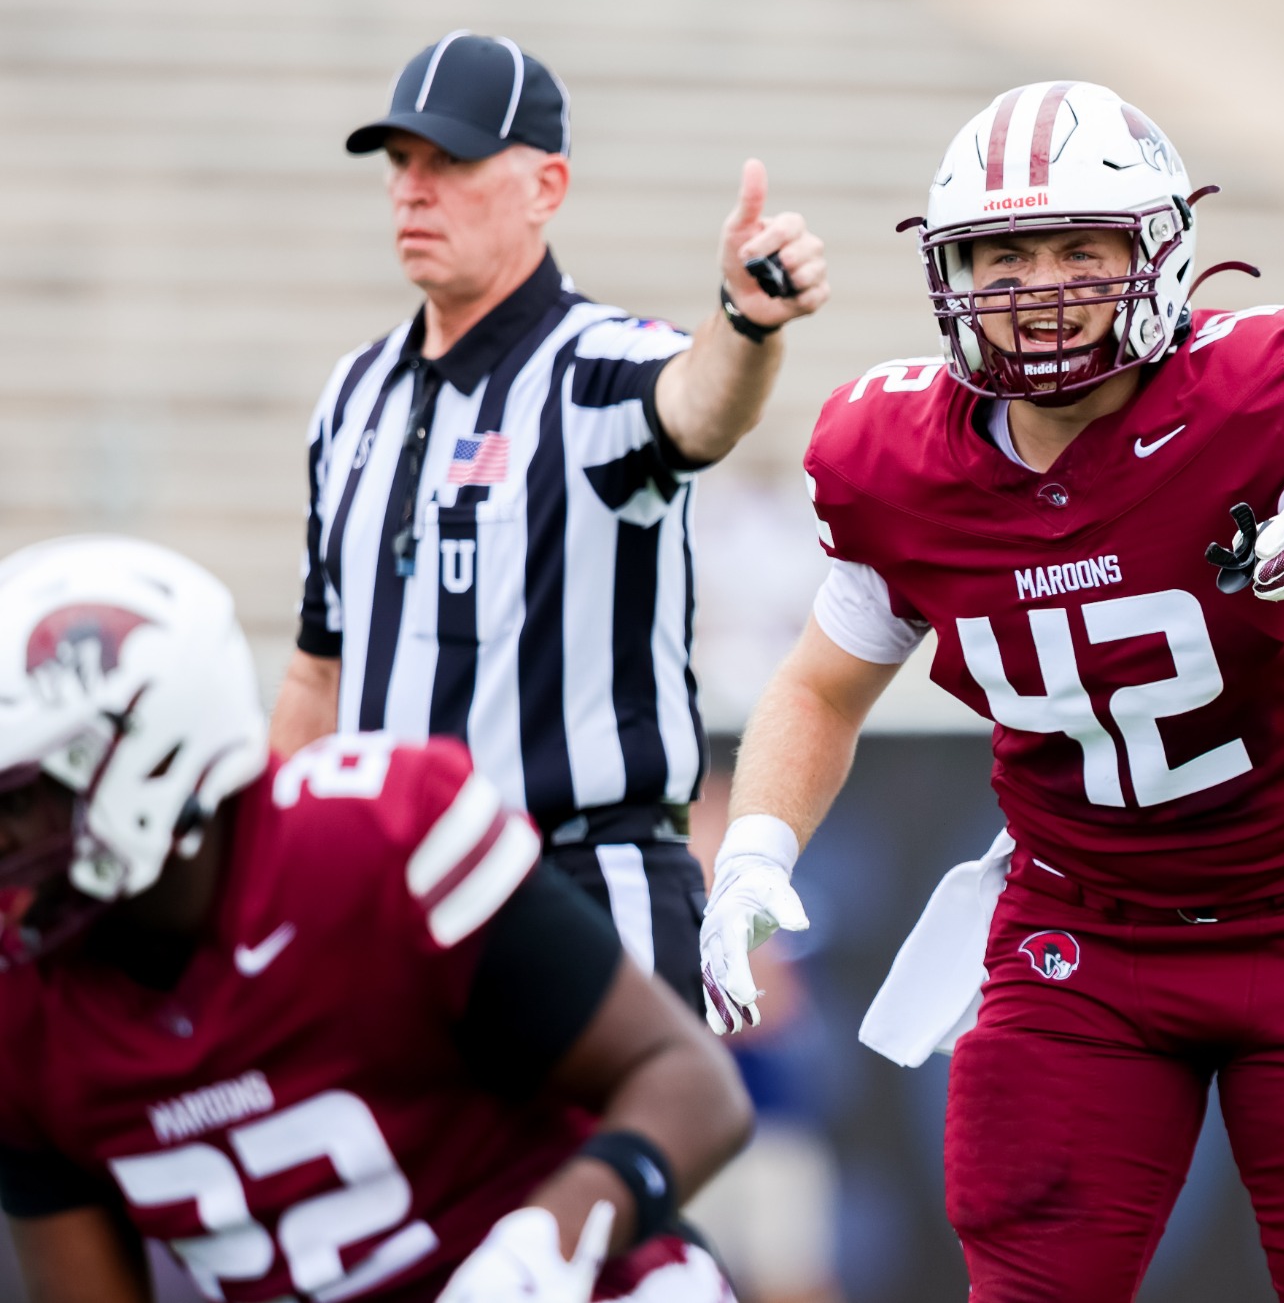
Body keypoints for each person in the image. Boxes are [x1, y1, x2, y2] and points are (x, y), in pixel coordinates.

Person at [698, 81, 1284, 1300]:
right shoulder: (891, 456)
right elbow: (821, 684)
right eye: (1003, 254)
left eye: (1077, 249)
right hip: (1084, 935)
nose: (1039, 285)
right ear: (953, 273)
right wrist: (753, 848)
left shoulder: (1263, 381)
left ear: (1156, 256)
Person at [0, 536, 752, 1303]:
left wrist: (537, 1251)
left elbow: (693, 1084)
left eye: (17, 798)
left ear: (147, 761)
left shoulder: (374, 844)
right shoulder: (22, 1002)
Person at [267, 31, 828, 1010]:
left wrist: (745, 324)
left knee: (590, 1166)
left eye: (450, 161)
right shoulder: (352, 393)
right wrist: (265, 890)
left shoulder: (599, 368)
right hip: (391, 905)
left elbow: (698, 405)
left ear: (546, 186)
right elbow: (319, 669)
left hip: (574, 886)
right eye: (401, 162)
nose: (412, 188)